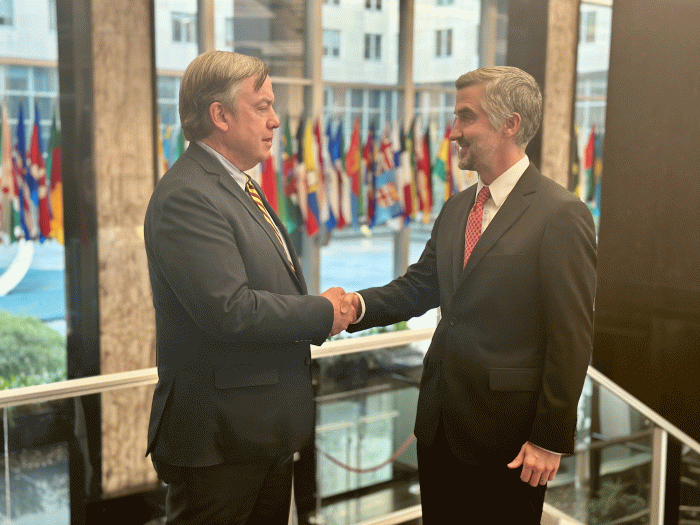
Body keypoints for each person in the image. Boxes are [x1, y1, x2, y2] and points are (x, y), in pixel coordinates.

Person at [342, 66, 596, 523]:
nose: (453, 131)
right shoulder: (459, 207)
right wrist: (354, 307)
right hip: (439, 426)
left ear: (510, 124)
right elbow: (420, 287)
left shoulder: (561, 214)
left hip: (512, 441)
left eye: (465, 117)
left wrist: (549, 437)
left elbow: (572, 337)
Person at [144, 51, 355, 524]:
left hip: (257, 436)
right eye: (261, 106)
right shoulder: (188, 196)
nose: (276, 121)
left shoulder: (237, 186)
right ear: (220, 115)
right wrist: (322, 312)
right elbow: (230, 310)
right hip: (220, 445)